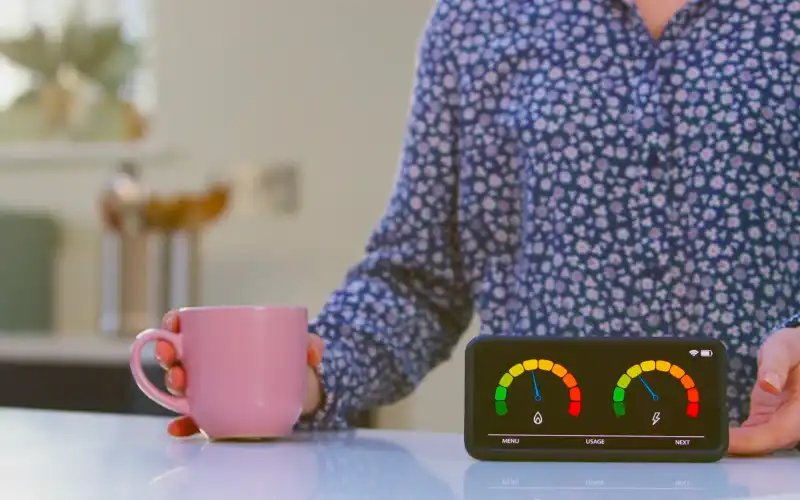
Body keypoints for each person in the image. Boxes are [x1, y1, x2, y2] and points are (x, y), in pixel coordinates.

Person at [155, 0, 800, 455]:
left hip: (771, 471)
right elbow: (419, 279)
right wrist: (304, 378)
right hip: (540, 471)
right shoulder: (478, 19)